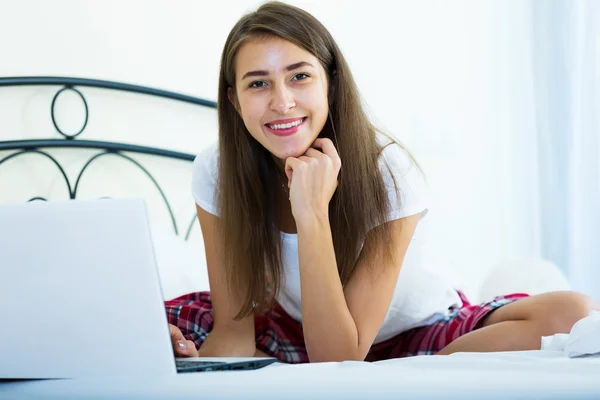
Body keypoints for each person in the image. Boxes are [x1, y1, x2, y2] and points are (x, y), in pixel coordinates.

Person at [166, 1, 598, 363]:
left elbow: (339, 362)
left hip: (418, 333)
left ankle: (420, 372)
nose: (283, 102)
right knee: (149, 326)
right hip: (294, 332)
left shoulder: (388, 171)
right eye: (258, 83)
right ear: (234, 101)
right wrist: (183, 361)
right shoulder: (217, 170)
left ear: (330, 85)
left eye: (300, 76)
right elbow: (235, 334)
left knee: (574, 314)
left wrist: (312, 213)